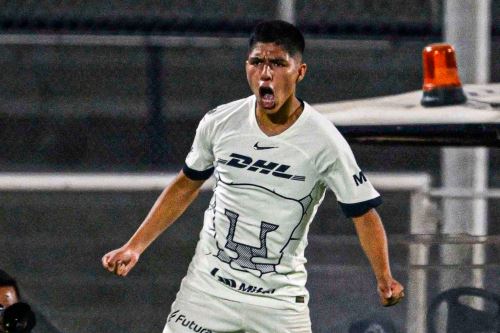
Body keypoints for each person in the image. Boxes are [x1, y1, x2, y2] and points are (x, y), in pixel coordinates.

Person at [102, 20, 404, 333]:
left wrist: (384, 277)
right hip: (208, 292)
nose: (265, 73)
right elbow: (185, 184)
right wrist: (134, 246)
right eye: (257, 62)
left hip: (277, 302)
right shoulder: (220, 122)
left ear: (299, 72)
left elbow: (363, 213)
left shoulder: (323, 140)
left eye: (277, 63)